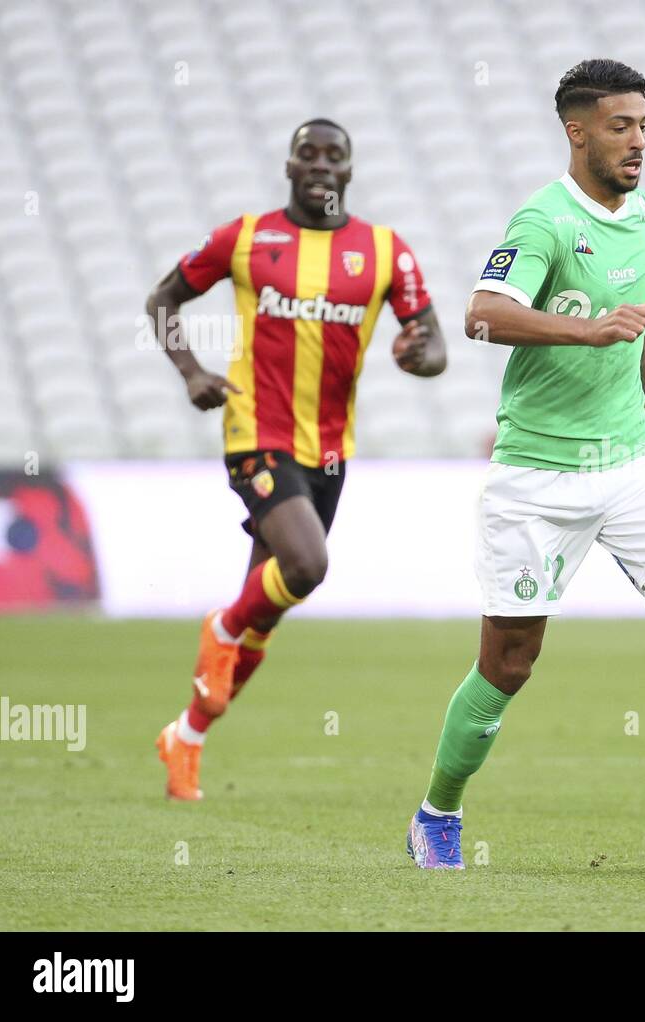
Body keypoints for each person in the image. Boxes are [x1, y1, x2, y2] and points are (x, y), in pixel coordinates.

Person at [406, 61, 645, 870]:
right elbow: (484, 317)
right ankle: (436, 812)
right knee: (510, 662)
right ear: (578, 130)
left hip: (627, 456)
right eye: (621, 126)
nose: (637, 142)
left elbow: (637, 321)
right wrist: (587, 332)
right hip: (538, 475)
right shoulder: (545, 222)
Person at [147, 118, 447, 800]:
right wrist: (191, 371)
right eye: (306, 153)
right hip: (255, 431)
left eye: (333, 156)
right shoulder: (247, 237)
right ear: (287, 166)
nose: (319, 164)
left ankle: (186, 737)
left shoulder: (383, 251)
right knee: (306, 567)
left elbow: (431, 342)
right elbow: (162, 298)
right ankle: (218, 627)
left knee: (267, 614)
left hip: (331, 452)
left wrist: (420, 354)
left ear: (348, 171)